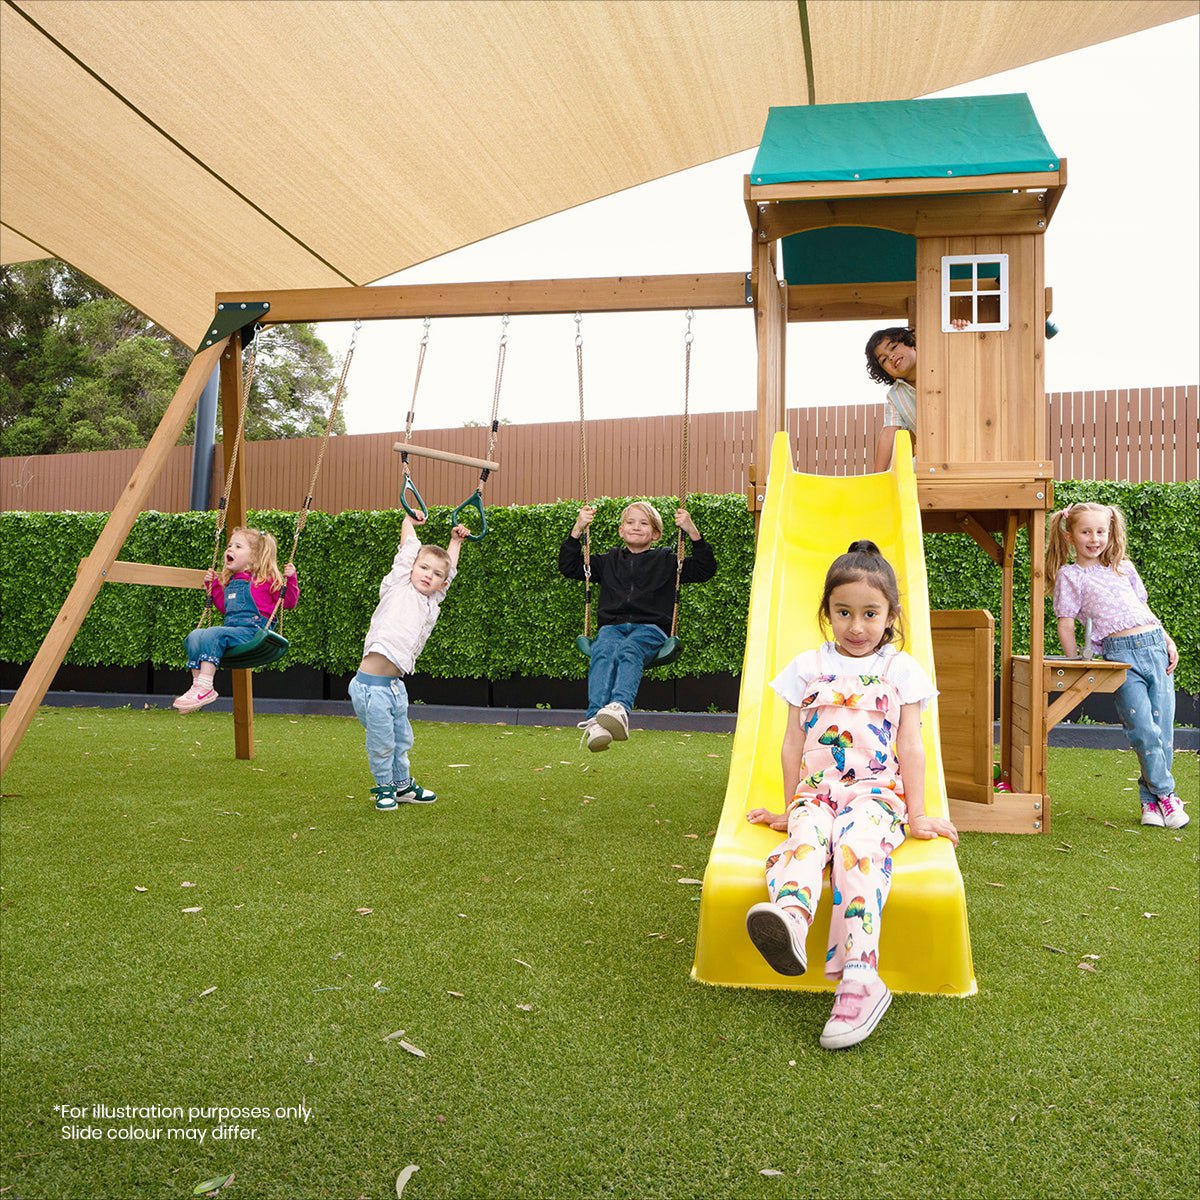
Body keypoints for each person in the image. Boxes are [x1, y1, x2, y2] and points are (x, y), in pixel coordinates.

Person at [743, 539, 957, 1050]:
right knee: (803, 844)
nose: (856, 626)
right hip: (818, 794)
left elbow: (912, 743)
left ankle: (862, 978)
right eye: (843, 612)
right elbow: (793, 740)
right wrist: (792, 803)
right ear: (827, 612)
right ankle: (791, 921)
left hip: (876, 796)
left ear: (890, 615)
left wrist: (920, 813)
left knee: (857, 851)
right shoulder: (807, 667)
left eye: (869, 613)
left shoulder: (899, 670)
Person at [1046, 501, 1186, 829]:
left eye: (1100, 531)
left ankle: (1149, 804)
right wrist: (1075, 662)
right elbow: (1065, 623)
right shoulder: (1071, 576)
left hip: (1154, 647)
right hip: (1120, 656)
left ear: (1110, 533)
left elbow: (1141, 608)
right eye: (1086, 532)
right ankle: (1168, 794)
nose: (1094, 538)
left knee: (1163, 733)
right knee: (1143, 731)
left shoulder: (1124, 568)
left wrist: (1167, 639)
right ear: (1070, 536)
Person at [559, 500, 716, 751]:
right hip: (612, 627)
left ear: (655, 534)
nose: (636, 527)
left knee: (629, 650)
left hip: (650, 629)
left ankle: (619, 709)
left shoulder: (667, 561)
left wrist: (691, 530)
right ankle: (595, 720)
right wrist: (577, 529)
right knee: (603, 650)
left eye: (644, 523)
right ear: (621, 531)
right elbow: (569, 566)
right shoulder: (608, 560)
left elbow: (704, 569)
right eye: (630, 522)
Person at [350, 514, 470, 811]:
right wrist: (408, 520)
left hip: (393, 687)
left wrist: (455, 541)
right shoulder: (398, 585)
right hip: (369, 689)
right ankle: (383, 787)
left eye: (435, 574)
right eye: (423, 567)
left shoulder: (431, 602)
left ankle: (402, 786)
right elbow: (408, 547)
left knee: (402, 738)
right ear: (412, 569)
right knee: (382, 741)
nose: (428, 575)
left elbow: (449, 569)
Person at [174, 526, 298, 712]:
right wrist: (213, 586)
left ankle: (206, 686)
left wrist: (292, 580)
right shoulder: (231, 582)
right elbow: (225, 608)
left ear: (254, 556)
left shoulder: (266, 580)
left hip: (254, 632)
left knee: (213, 633)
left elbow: (288, 602)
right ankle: (197, 686)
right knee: (195, 635)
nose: (230, 549)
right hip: (233, 631)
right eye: (230, 545)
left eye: (238, 546)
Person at [866, 322, 965, 472]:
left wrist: (961, 328)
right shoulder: (896, 396)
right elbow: (889, 433)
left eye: (893, 347)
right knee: (903, 472)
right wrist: (877, 476)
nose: (891, 356)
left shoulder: (943, 364)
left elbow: (964, 349)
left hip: (969, 438)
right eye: (884, 360)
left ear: (912, 344)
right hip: (934, 456)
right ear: (887, 373)